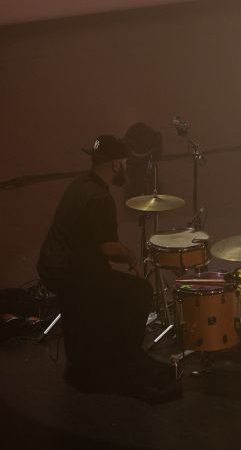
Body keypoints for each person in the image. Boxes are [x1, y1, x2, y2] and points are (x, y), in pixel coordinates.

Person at [36, 135, 177, 400]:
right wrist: (132, 257)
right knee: (140, 292)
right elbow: (108, 248)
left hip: (54, 267)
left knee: (111, 288)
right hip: (71, 274)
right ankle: (128, 360)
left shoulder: (80, 184)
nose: (126, 167)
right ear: (115, 165)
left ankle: (94, 358)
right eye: (124, 162)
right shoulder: (100, 198)